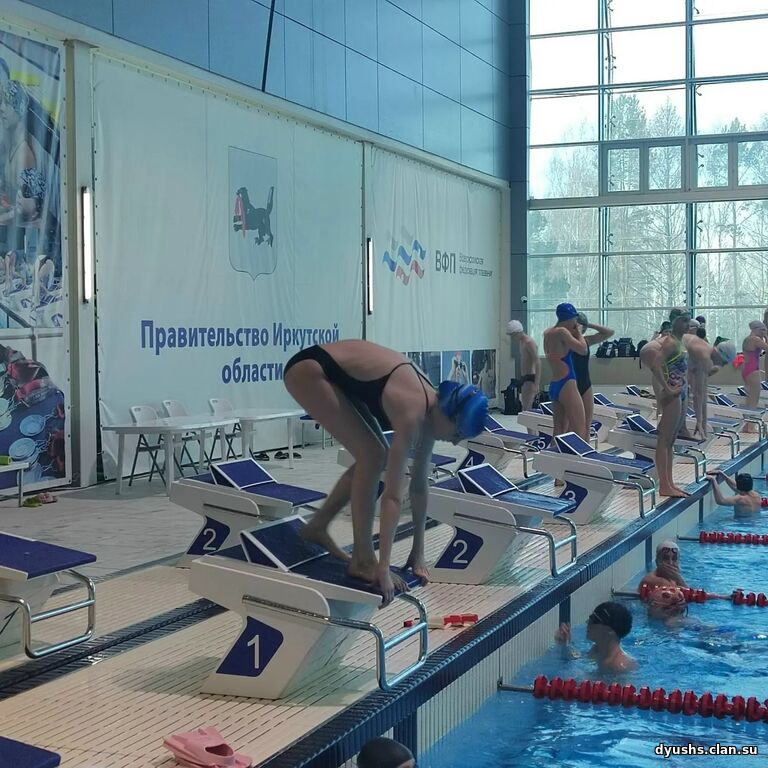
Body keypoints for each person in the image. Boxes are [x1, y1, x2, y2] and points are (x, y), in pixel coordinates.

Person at [283, 339, 488, 605]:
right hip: (309, 370)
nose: (456, 441)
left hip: (335, 373)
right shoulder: (413, 412)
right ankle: (363, 560)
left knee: (374, 454)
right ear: (450, 417)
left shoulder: (433, 409)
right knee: (371, 455)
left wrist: (418, 552)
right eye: (457, 433)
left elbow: (419, 487)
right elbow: (392, 496)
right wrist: (383, 567)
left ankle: (318, 526)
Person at [649, 308, 690, 497]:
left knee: (671, 440)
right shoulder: (670, 342)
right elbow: (655, 365)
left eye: (688, 320)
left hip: (680, 392)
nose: (687, 324)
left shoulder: (680, 342)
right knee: (664, 439)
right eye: (683, 320)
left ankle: (670, 483)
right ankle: (664, 485)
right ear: (674, 322)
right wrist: (667, 387)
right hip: (672, 395)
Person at [543, 303, 588, 441]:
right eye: (575, 319)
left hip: (554, 384)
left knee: (559, 429)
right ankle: (579, 455)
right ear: (570, 318)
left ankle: (551, 455)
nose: (575, 323)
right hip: (567, 383)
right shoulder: (562, 332)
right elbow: (583, 350)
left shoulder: (547, 333)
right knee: (580, 429)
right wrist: (579, 332)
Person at [555, 602, 636, 674]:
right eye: (590, 618)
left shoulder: (618, 666)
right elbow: (578, 658)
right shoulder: (597, 649)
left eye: (594, 620)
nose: (588, 622)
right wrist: (564, 645)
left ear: (610, 630)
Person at [684, 336, 736, 437]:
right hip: (664, 360)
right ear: (719, 354)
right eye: (724, 362)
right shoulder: (704, 357)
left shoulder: (706, 353)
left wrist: (703, 422)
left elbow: (702, 392)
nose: (722, 366)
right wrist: (699, 421)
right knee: (679, 404)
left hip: (673, 362)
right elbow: (698, 393)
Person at [573, 312, 614, 438]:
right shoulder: (566, 342)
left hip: (586, 384)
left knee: (587, 424)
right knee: (571, 424)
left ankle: (585, 448)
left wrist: (588, 324)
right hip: (570, 385)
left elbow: (609, 332)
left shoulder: (586, 341)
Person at [506, 319, 540, 417]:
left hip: (530, 378)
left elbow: (538, 362)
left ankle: (531, 428)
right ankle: (529, 428)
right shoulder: (522, 342)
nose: (512, 338)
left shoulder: (529, 342)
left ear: (518, 332)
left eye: (513, 335)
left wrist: (537, 383)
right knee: (525, 410)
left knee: (528, 411)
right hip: (525, 378)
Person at [741, 320, 768, 429]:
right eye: (763, 330)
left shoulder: (747, 339)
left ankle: (747, 425)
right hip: (753, 370)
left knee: (749, 398)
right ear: (757, 329)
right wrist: (766, 336)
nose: (764, 332)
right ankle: (751, 427)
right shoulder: (755, 339)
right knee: (754, 400)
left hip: (746, 370)